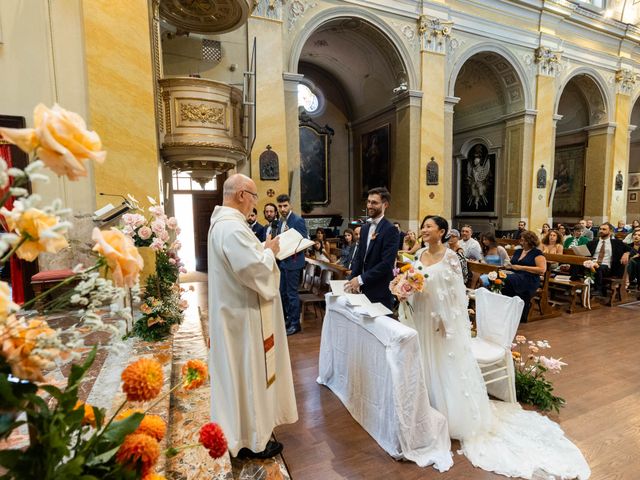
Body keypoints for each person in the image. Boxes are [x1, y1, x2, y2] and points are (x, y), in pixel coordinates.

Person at [404, 215, 590, 479]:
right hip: (422, 315)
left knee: (442, 362)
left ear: (442, 231)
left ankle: (450, 414)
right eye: (422, 226)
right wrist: (405, 289)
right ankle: (428, 408)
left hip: (441, 322)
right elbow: (417, 283)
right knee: (426, 360)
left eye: (428, 227)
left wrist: (449, 321)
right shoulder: (420, 254)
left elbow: (457, 293)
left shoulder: (451, 258)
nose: (423, 230)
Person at [207, 174, 298, 459]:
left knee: (240, 378)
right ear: (242, 195)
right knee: (250, 375)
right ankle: (255, 440)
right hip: (243, 319)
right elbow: (255, 271)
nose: (255, 203)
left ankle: (243, 432)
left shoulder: (223, 226)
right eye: (255, 196)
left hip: (234, 314)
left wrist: (262, 251)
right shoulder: (232, 228)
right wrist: (269, 251)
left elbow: (244, 262)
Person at [345, 187, 399, 309]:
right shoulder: (364, 228)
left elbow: (386, 264)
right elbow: (359, 257)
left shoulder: (390, 230)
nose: (370, 205)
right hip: (363, 288)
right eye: (368, 202)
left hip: (380, 291)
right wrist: (352, 280)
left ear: (385, 205)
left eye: (374, 202)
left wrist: (360, 279)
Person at [276, 194, 308, 336]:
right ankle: (289, 319)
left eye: (285, 206)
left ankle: (296, 324)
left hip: (294, 262)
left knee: (292, 294)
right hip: (283, 262)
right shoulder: (281, 221)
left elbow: (303, 240)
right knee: (283, 293)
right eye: (280, 206)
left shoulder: (297, 220)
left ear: (290, 205)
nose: (283, 209)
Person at [502, 230, 547, 323]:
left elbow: (542, 269)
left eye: (523, 240)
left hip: (529, 278)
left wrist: (521, 267)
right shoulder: (518, 251)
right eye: (521, 240)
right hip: (516, 275)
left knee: (508, 279)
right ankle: (506, 310)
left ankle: (517, 312)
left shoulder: (537, 253)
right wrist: (508, 266)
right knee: (498, 277)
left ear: (530, 241)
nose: (521, 242)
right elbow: (513, 264)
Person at [586, 222, 630, 297]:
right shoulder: (592, 243)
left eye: (604, 229)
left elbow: (632, 250)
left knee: (599, 267)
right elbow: (585, 253)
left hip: (608, 268)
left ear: (610, 231)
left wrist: (627, 253)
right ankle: (571, 286)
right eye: (600, 229)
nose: (601, 231)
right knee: (577, 264)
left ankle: (598, 290)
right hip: (591, 265)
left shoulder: (617, 243)